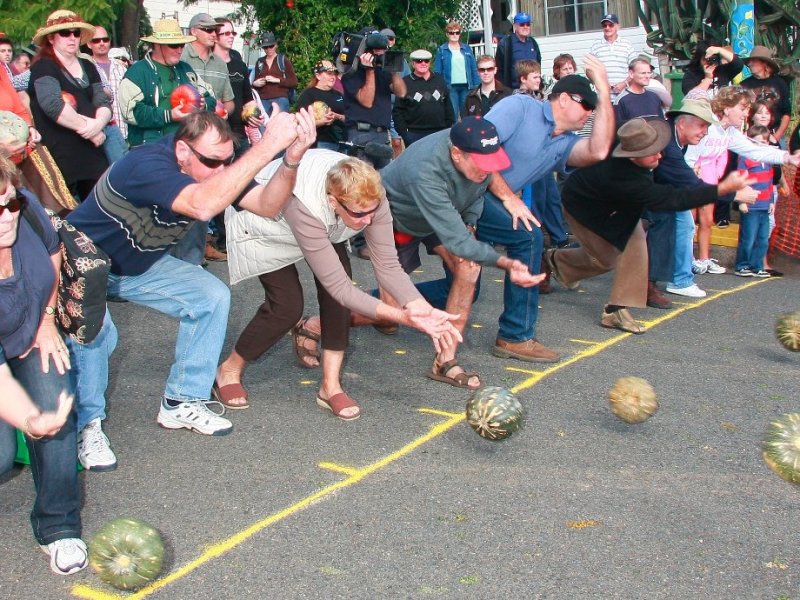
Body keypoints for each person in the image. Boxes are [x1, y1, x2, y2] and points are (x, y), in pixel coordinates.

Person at [65, 109, 317, 441]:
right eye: (213, 162)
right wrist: (268, 144)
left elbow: (268, 205)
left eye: (228, 161)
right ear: (183, 151)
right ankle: (87, 427)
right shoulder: (146, 164)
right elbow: (203, 206)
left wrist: (291, 159)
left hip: (137, 266)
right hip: (83, 264)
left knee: (210, 296)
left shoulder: (214, 166)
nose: (222, 170)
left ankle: (181, 401)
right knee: (96, 337)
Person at [217, 151, 462, 419]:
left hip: (327, 222)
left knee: (336, 301)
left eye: (373, 211)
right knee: (287, 307)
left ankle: (329, 386)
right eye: (360, 214)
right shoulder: (305, 204)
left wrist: (419, 308)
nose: (368, 221)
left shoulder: (369, 200)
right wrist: (403, 317)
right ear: (334, 201)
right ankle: (229, 369)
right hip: (265, 224)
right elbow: (341, 288)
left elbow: (389, 267)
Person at [366, 117, 546, 388]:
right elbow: (459, 241)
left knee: (468, 266)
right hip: (396, 218)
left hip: (440, 213)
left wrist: (473, 220)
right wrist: (509, 264)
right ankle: (316, 324)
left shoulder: (471, 145)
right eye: (481, 164)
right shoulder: (424, 170)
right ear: (455, 154)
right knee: (390, 312)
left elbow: (477, 189)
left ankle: (445, 361)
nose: (487, 170)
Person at [466, 57, 615, 362]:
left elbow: (599, 150)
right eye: (585, 104)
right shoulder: (520, 107)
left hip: (487, 200)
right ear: (562, 99)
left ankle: (381, 309)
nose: (590, 112)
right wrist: (509, 197)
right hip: (466, 190)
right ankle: (514, 336)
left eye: (593, 107)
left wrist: (603, 89)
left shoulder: (564, 142)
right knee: (528, 237)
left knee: (466, 287)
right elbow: (477, 148)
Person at [553, 117, 756, 333]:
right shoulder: (626, 178)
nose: (660, 154)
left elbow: (682, 182)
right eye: (652, 152)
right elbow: (675, 199)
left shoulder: (647, 147)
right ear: (632, 155)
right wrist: (724, 190)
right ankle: (556, 261)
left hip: (621, 204)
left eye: (658, 148)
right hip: (583, 207)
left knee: (635, 244)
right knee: (606, 259)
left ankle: (615, 310)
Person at [0, 153, 86, 575]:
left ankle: (58, 527)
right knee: (1, 456)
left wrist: (48, 319)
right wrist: (29, 419)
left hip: (29, 328)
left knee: (57, 400)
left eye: (8, 202)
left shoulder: (24, 206)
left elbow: (52, 253)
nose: (6, 216)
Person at [684, 86, 799, 278]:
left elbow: (754, 150)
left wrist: (788, 157)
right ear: (727, 108)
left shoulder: (728, 132)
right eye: (743, 108)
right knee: (685, 225)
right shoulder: (707, 126)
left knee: (693, 224)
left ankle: (687, 269)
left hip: (702, 183)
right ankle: (681, 274)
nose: (747, 113)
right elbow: (688, 159)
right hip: (685, 182)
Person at [28, 10, 111, 200]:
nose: (72, 38)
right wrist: (88, 129)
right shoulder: (43, 66)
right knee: (66, 213)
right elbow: (52, 104)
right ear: (51, 38)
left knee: (101, 204)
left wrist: (98, 124)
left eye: (76, 33)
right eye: (65, 33)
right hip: (61, 154)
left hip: (93, 151)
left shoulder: (88, 65)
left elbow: (102, 100)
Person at [118, 18, 216, 148]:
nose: (180, 50)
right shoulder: (136, 73)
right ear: (158, 45)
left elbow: (211, 98)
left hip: (186, 147)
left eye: (182, 45)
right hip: (149, 150)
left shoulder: (186, 69)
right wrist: (169, 116)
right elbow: (131, 112)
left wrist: (203, 105)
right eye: (174, 45)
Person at [734, 124, 776, 278]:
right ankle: (742, 265)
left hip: (765, 206)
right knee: (748, 238)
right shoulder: (745, 159)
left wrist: (771, 201)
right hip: (751, 205)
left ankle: (757, 265)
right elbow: (740, 180)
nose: (763, 145)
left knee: (763, 239)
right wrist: (742, 202)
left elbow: (770, 183)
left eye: (765, 142)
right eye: (759, 142)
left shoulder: (768, 160)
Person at [393, 49, 454, 147]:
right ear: (413, 63)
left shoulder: (439, 80)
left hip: (440, 132)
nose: (423, 63)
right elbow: (397, 111)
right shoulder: (405, 82)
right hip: (414, 134)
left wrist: (449, 127)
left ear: (430, 63)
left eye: (426, 61)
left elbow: (448, 105)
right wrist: (404, 133)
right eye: (419, 61)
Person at [86, 25, 128, 163]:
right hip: (101, 133)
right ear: (88, 44)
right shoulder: (85, 68)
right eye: (96, 40)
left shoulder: (121, 67)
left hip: (125, 130)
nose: (102, 43)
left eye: (105, 39)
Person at [182, 13, 234, 117]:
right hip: (185, 127)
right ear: (193, 31)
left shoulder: (221, 64)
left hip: (214, 128)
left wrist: (224, 113)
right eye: (209, 30)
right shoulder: (181, 59)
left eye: (215, 30)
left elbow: (229, 101)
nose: (214, 34)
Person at [740, 45, 791, 144]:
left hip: (775, 135)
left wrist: (777, 136)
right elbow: (740, 112)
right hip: (751, 137)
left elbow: (786, 112)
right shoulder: (744, 85)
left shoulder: (780, 83)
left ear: (764, 63)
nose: (749, 64)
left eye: (753, 61)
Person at [296, 59, 346, 151]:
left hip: (341, 141)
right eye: (329, 73)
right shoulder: (308, 94)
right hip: (320, 141)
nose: (333, 77)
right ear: (318, 76)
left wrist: (337, 116)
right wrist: (323, 121)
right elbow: (300, 122)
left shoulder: (339, 95)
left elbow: (348, 117)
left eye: (334, 73)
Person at [433, 21, 479, 117]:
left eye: (457, 32)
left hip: (467, 86)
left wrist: (477, 86)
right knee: (452, 114)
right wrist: (439, 87)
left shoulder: (467, 49)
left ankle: (466, 131)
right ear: (447, 34)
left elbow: (473, 68)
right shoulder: (442, 50)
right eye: (451, 33)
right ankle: (453, 132)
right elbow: (437, 71)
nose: (454, 35)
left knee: (467, 114)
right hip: (450, 87)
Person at [589, 13, 637, 101]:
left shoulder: (626, 44)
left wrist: (624, 83)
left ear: (618, 26)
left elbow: (635, 69)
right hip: (604, 98)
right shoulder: (595, 46)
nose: (607, 28)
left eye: (611, 25)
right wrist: (600, 84)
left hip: (624, 97)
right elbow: (589, 70)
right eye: (604, 25)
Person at [251, 31, 297, 115]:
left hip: (281, 98)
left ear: (276, 45)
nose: (268, 49)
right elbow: (254, 83)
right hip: (263, 100)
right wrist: (255, 83)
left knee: (280, 125)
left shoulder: (283, 60)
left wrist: (277, 80)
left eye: (271, 46)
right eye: (265, 47)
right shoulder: (259, 62)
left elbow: (294, 82)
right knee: (263, 126)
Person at [495, 12, 541, 90]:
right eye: (522, 24)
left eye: (528, 24)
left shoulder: (533, 42)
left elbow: (538, 64)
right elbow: (499, 69)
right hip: (513, 90)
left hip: (532, 90)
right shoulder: (506, 44)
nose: (525, 27)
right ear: (515, 26)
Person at [613, 58, 664, 123]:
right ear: (631, 74)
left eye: (649, 73)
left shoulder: (654, 97)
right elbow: (619, 130)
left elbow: (662, 125)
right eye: (643, 73)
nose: (647, 76)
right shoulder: (622, 100)